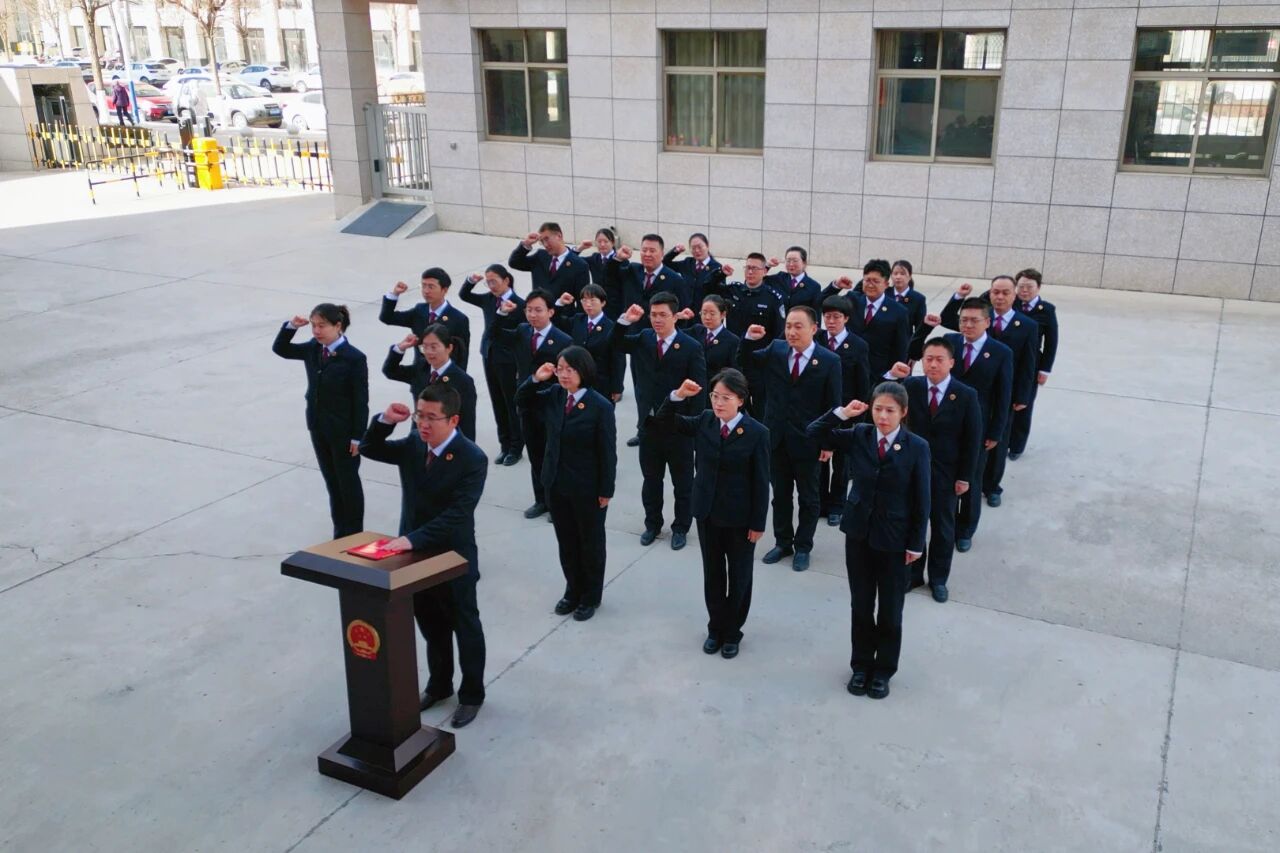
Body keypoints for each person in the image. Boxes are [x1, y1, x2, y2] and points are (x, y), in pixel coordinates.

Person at [358, 385, 487, 729]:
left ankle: (471, 695)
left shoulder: (472, 458)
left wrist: (411, 540)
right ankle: (439, 685)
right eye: (419, 415)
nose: (423, 424)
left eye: (432, 417)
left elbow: (457, 514)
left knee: (465, 625)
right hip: (414, 556)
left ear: (453, 420)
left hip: (452, 556)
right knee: (431, 624)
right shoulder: (415, 444)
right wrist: (386, 421)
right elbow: (370, 448)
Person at [806, 383, 930, 701]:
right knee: (861, 605)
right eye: (878, 409)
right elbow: (814, 433)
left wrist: (916, 544)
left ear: (903, 412)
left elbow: (922, 499)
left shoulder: (916, 447)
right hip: (859, 535)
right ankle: (860, 666)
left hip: (895, 540)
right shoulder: (860, 434)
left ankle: (883, 670)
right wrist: (842, 414)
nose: (883, 416)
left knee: (890, 609)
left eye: (890, 410)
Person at [657, 369, 769, 659]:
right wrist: (677, 396)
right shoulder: (705, 420)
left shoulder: (757, 433)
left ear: (741, 400)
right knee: (713, 573)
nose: (718, 403)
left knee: (740, 576)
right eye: (715, 396)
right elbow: (663, 423)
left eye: (726, 398)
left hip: (740, 518)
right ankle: (715, 627)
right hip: (707, 513)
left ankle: (733, 632)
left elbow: (761, 482)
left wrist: (758, 523)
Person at [514, 347, 617, 621]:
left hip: (587, 488)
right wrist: (535, 379)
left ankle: (590, 596)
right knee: (567, 541)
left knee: (590, 543)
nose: (563, 375)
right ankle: (573, 590)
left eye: (570, 370)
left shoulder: (600, 406)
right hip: (556, 483)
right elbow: (522, 400)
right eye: (560, 369)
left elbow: (607, 452)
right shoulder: (554, 395)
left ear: (584, 371)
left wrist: (606, 490)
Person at [740, 306, 842, 572]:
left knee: (809, 498)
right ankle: (783, 542)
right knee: (780, 495)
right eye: (788, 326)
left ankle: (803, 546)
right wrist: (748, 339)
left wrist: (828, 443)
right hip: (776, 438)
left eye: (798, 326)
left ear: (814, 329)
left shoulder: (829, 361)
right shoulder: (776, 349)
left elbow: (833, 406)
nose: (792, 332)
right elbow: (746, 362)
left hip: (809, 441)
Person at [909, 299, 1012, 551]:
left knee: (970, 479)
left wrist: (996, 431)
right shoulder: (950, 342)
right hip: (943, 423)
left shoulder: (1000, 352)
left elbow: (1003, 396)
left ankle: (965, 528)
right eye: (963, 319)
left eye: (974, 320)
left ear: (987, 322)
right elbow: (915, 351)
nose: (967, 325)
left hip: (977, 427)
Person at [611, 291, 707, 549]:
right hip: (650, 425)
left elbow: (699, 392)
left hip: (679, 428)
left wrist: (693, 426)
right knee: (651, 480)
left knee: (682, 484)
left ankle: (681, 527)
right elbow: (615, 344)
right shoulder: (644, 338)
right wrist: (624, 321)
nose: (657, 320)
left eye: (663, 315)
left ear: (675, 317)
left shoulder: (691, 347)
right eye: (653, 315)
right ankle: (652, 524)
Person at [888, 339, 982, 602]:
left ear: (951, 362)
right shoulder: (910, 387)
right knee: (912, 524)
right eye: (928, 359)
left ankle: (938, 579)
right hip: (911, 471)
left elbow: (972, 440)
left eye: (939, 359)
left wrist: (965, 477)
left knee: (942, 528)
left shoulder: (965, 395)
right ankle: (913, 575)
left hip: (946, 474)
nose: (933, 364)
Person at [272, 303, 367, 538]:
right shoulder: (313, 348)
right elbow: (281, 349)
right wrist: (291, 327)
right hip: (318, 426)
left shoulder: (354, 358)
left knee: (347, 484)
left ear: (338, 326)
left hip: (343, 431)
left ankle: (354, 534)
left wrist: (358, 436)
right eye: (313, 326)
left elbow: (360, 400)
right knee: (332, 483)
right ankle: (339, 534)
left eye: (322, 326)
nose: (316, 331)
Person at [940, 277, 1037, 508]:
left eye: (1005, 292)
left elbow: (1028, 363)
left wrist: (1022, 396)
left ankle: (992, 486)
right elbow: (950, 319)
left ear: (1014, 294)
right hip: (962, 401)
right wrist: (959, 297)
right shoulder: (974, 319)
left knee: (995, 447)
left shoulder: (1026, 325)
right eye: (995, 292)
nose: (999, 297)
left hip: (998, 396)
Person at [497, 289, 573, 519]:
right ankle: (541, 500)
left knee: (554, 457)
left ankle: (557, 503)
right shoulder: (522, 331)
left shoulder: (563, 340)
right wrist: (501, 314)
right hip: (526, 403)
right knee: (535, 454)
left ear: (550, 312)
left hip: (550, 405)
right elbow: (496, 335)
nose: (532, 315)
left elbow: (568, 378)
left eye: (538, 310)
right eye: (529, 310)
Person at [606, 233, 688, 444]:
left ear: (662, 253)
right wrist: (617, 258)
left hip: (664, 342)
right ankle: (644, 428)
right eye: (644, 250)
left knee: (666, 388)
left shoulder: (674, 279)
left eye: (652, 250)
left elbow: (683, 311)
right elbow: (607, 277)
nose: (647, 254)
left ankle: (669, 428)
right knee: (641, 389)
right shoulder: (631, 271)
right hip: (638, 340)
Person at [703, 252, 786, 415]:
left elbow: (779, 333)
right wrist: (720, 273)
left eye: (755, 268)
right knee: (733, 405)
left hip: (758, 362)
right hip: (733, 358)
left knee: (759, 407)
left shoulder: (773, 298)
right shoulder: (734, 290)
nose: (750, 272)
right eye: (747, 268)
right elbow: (707, 288)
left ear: (764, 271)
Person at [460, 264, 525, 466]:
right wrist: (471, 281)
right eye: (488, 282)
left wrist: (520, 366)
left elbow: (521, 338)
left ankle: (516, 448)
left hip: (508, 360)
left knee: (510, 404)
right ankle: (504, 445)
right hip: (489, 355)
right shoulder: (489, 299)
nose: (491, 286)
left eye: (494, 281)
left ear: (506, 280)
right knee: (497, 402)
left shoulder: (519, 305)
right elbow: (464, 295)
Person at [815, 295, 872, 526]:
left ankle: (837, 505)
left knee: (841, 463)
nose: (831, 321)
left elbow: (863, 384)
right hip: (821, 412)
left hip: (847, 412)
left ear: (846, 318)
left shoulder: (858, 345)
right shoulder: (816, 339)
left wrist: (859, 417)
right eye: (827, 316)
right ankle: (820, 502)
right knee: (819, 460)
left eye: (836, 317)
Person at [382, 324, 478, 441]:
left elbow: (467, 425)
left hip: (444, 442)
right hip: (419, 438)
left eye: (434, 347)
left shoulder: (462, 381)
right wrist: (401, 348)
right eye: (425, 347)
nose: (429, 352)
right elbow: (390, 371)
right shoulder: (421, 368)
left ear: (449, 348)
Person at [822, 259, 910, 383]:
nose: (870, 285)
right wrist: (836, 286)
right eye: (867, 280)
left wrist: (893, 378)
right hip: (847, 372)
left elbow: (901, 349)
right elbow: (823, 303)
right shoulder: (852, 299)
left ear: (886, 284)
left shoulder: (899, 312)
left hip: (877, 375)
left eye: (876, 281)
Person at [1009, 268, 1059, 459]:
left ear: (1038, 287)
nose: (1024, 291)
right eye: (1021, 286)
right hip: (1008, 360)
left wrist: (1045, 370)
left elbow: (1051, 342)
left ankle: (1016, 446)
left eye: (1029, 287)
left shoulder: (1046, 310)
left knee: (1024, 405)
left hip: (1030, 365)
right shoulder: (1010, 304)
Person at [381, 267, 471, 370]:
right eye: (423, 286)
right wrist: (395, 294)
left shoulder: (458, 319)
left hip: (443, 373)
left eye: (431, 287)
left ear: (444, 290)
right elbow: (387, 318)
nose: (426, 291)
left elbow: (462, 357)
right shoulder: (419, 310)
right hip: (420, 373)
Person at [550, 283, 624, 403]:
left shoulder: (611, 327)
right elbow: (555, 321)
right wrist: (560, 303)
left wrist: (617, 388)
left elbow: (618, 360)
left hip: (601, 383)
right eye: (584, 300)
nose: (588, 304)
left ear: (603, 303)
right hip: (576, 381)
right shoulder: (578, 320)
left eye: (593, 300)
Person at [510, 221, 590, 301]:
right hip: (538, 307)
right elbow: (514, 262)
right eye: (542, 241)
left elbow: (582, 299)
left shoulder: (579, 265)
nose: (545, 244)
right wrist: (526, 244)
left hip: (563, 308)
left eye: (547, 239)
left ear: (559, 236)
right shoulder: (540, 256)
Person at [688, 295, 741, 390]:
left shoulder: (732, 341)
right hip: (694, 388)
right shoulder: (696, 331)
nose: (707, 317)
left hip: (716, 390)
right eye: (704, 313)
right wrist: (679, 318)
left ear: (723, 315)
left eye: (712, 314)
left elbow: (734, 372)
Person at [663, 232, 723, 314]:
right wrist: (675, 251)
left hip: (704, 314)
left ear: (707, 246)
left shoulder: (717, 267)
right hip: (685, 313)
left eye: (700, 247)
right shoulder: (688, 263)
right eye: (693, 248)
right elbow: (664, 264)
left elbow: (719, 294)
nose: (697, 251)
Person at [764, 246, 823, 313]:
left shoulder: (814, 286)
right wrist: (767, 266)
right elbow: (757, 280)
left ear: (804, 263)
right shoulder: (779, 278)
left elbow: (816, 313)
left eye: (795, 261)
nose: (791, 264)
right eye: (788, 261)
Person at [574, 227, 619, 312]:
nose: (602, 244)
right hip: (597, 304)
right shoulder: (594, 258)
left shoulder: (619, 259)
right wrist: (580, 248)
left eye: (606, 241)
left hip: (615, 306)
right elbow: (573, 261)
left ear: (612, 242)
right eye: (599, 242)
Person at [889, 260, 928, 340]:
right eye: (895, 273)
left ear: (909, 276)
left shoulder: (918, 299)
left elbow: (920, 328)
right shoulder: (883, 293)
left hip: (905, 341)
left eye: (902, 274)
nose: (898, 277)